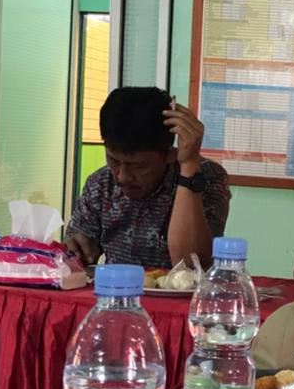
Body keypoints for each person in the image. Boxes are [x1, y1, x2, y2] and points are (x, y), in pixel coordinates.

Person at [65, 86, 230, 269]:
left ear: (170, 154)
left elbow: (192, 266)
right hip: (115, 287)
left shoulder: (206, 177)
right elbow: (72, 252)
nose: (122, 176)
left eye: (138, 165)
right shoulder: (101, 183)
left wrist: (189, 167)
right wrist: (75, 252)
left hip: (177, 288)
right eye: (113, 160)